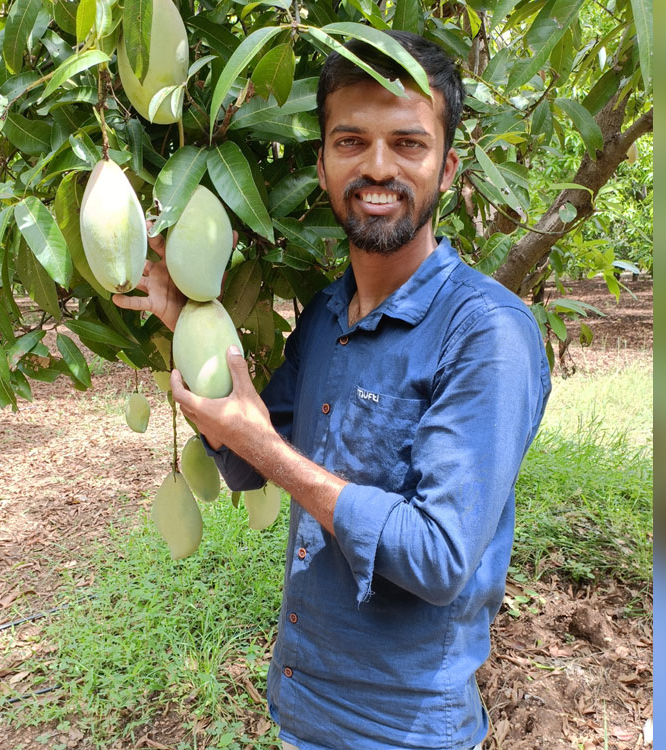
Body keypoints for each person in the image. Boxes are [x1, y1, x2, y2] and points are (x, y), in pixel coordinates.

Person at [115, 30, 551, 750]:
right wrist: (184, 315)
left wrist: (271, 452)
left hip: (403, 733)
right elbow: (245, 458)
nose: (377, 166)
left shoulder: (485, 333)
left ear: (448, 169)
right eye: (351, 141)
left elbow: (439, 556)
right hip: (301, 707)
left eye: (408, 144)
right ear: (320, 164)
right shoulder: (324, 315)